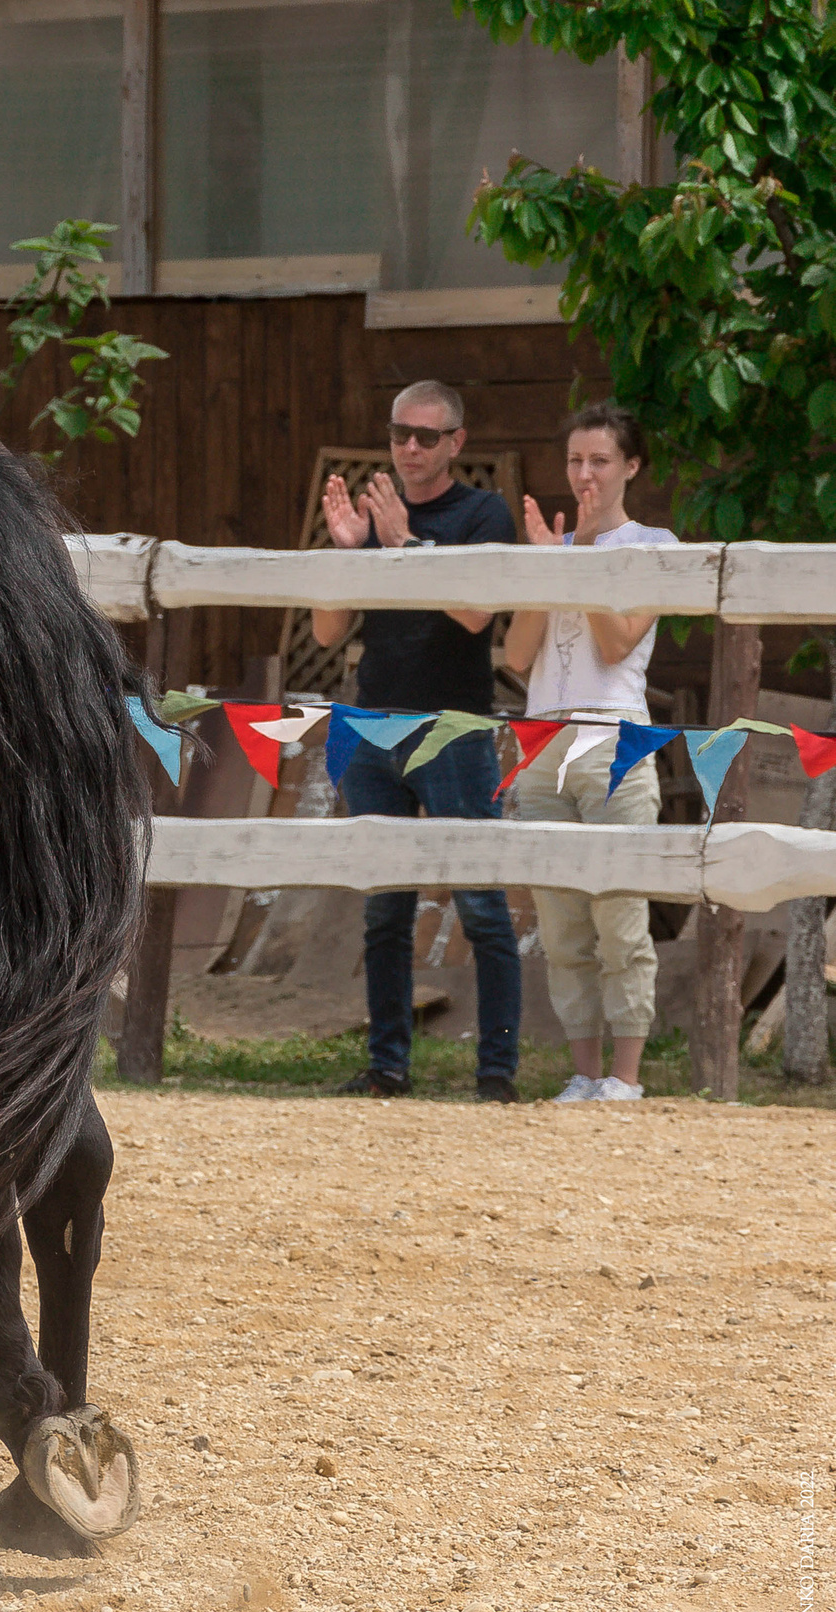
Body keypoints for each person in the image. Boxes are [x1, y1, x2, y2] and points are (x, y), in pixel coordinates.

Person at [309, 379, 523, 1102]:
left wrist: (404, 547)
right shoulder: (371, 516)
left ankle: (495, 1073)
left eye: (425, 436)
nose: (408, 446)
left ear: (456, 443)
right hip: (372, 725)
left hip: (453, 729)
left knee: (483, 906)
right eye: (399, 432)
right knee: (383, 908)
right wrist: (348, 553)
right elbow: (326, 630)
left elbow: (475, 615)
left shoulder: (482, 513)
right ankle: (387, 1068)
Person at [503, 401, 673, 1104]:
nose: (584, 474)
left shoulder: (653, 542)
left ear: (631, 466)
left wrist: (577, 564)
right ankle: (582, 1068)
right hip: (542, 737)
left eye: (599, 460)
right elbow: (516, 654)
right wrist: (551, 568)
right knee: (561, 916)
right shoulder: (555, 545)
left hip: (616, 740)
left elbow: (616, 643)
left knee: (619, 913)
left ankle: (625, 1077)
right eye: (575, 460)